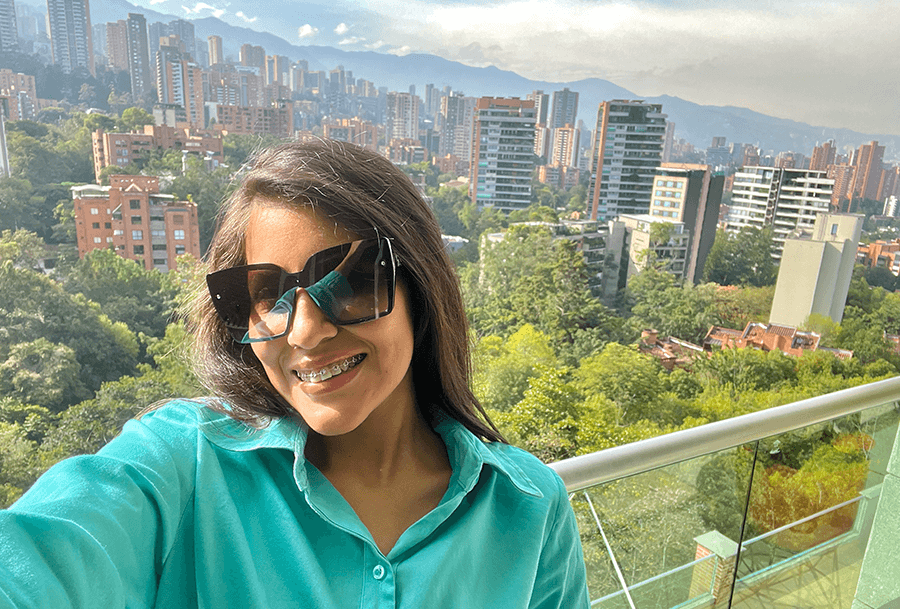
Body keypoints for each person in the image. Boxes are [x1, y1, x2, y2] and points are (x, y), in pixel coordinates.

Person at [0, 140, 589, 608]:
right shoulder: (181, 467)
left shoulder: (529, 506)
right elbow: (39, 559)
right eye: (265, 293)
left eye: (351, 279)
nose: (304, 332)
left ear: (421, 287)